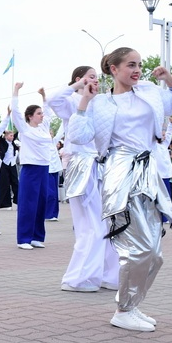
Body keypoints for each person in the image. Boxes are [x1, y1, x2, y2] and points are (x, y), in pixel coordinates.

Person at [68, 47, 172, 332]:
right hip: (121, 171)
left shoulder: (150, 92)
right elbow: (78, 136)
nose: (137, 70)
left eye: (140, 65)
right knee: (137, 247)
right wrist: (84, 101)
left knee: (155, 252)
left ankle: (132, 304)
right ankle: (123, 310)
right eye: (131, 65)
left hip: (149, 171)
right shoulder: (101, 102)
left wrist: (169, 78)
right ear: (114, 69)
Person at [48, 66, 119, 292]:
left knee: (109, 222)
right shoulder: (72, 101)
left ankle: (107, 275)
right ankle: (79, 278)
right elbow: (52, 99)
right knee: (90, 224)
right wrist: (79, 88)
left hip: (102, 167)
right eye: (90, 77)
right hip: (81, 166)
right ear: (78, 79)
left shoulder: (102, 103)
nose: (95, 80)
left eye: (97, 77)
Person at [11, 82, 53, 250]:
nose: (42, 115)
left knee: (42, 203)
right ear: (30, 116)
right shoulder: (25, 129)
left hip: (44, 168)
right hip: (30, 169)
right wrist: (16, 90)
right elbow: (15, 112)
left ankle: (36, 236)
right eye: (38, 113)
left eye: (41, 113)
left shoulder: (44, 127)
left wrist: (43, 96)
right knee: (28, 203)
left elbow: (49, 111)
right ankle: (23, 238)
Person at [0, 126, 19, 210]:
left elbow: (18, 132)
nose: (12, 137)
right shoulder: (2, 142)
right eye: (10, 135)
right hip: (4, 164)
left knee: (15, 183)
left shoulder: (13, 143)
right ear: (6, 136)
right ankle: (6, 204)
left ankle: (18, 201)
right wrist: (5, 131)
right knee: (4, 184)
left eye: (13, 136)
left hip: (12, 164)